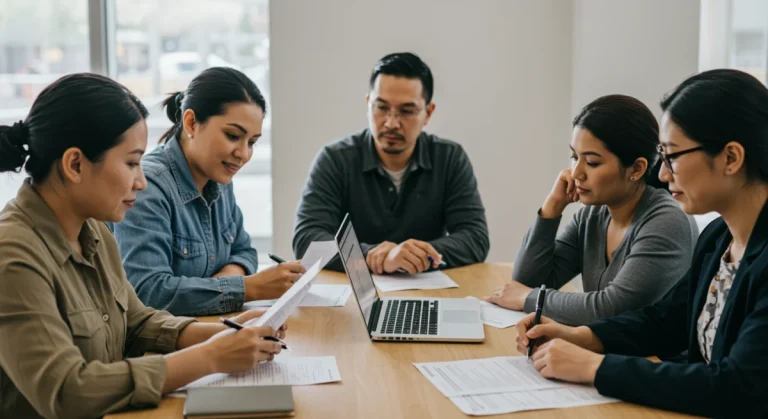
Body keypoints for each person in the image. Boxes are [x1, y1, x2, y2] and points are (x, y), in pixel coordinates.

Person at [0, 73, 286, 419]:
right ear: (75, 164)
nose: (141, 180)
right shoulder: (13, 255)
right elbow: (67, 391)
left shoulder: (93, 230)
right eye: (132, 163)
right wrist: (210, 357)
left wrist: (232, 331)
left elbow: (136, 323)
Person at [515, 69, 768, 418]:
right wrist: (584, 337)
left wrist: (595, 367)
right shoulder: (718, 239)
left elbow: (738, 387)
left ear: (731, 158)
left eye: (672, 156)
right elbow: (665, 321)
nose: (663, 174)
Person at [486, 95, 698, 325]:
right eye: (574, 157)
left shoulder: (666, 222)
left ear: (636, 168)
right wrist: (551, 208)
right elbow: (527, 281)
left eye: (592, 162)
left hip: (653, 359)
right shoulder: (593, 215)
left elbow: (610, 309)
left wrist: (529, 298)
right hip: (605, 353)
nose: (576, 173)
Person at [113, 67, 306, 316]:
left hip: (209, 327)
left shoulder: (220, 178)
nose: (243, 154)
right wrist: (246, 288)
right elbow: (149, 292)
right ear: (191, 122)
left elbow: (244, 250)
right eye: (233, 136)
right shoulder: (148, 187)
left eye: (252, 142)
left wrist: (225, 283)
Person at [293, 52, 489, 274]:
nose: (391, 123)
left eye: (406, 111)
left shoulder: (449, 157)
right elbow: (307, 240)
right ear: (368, 104)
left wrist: (413, 255)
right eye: (382, 107)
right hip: (355, 294)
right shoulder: (335, 159)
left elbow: (475, 238)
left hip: (429, 290)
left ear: (428, 113)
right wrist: (372, 256)